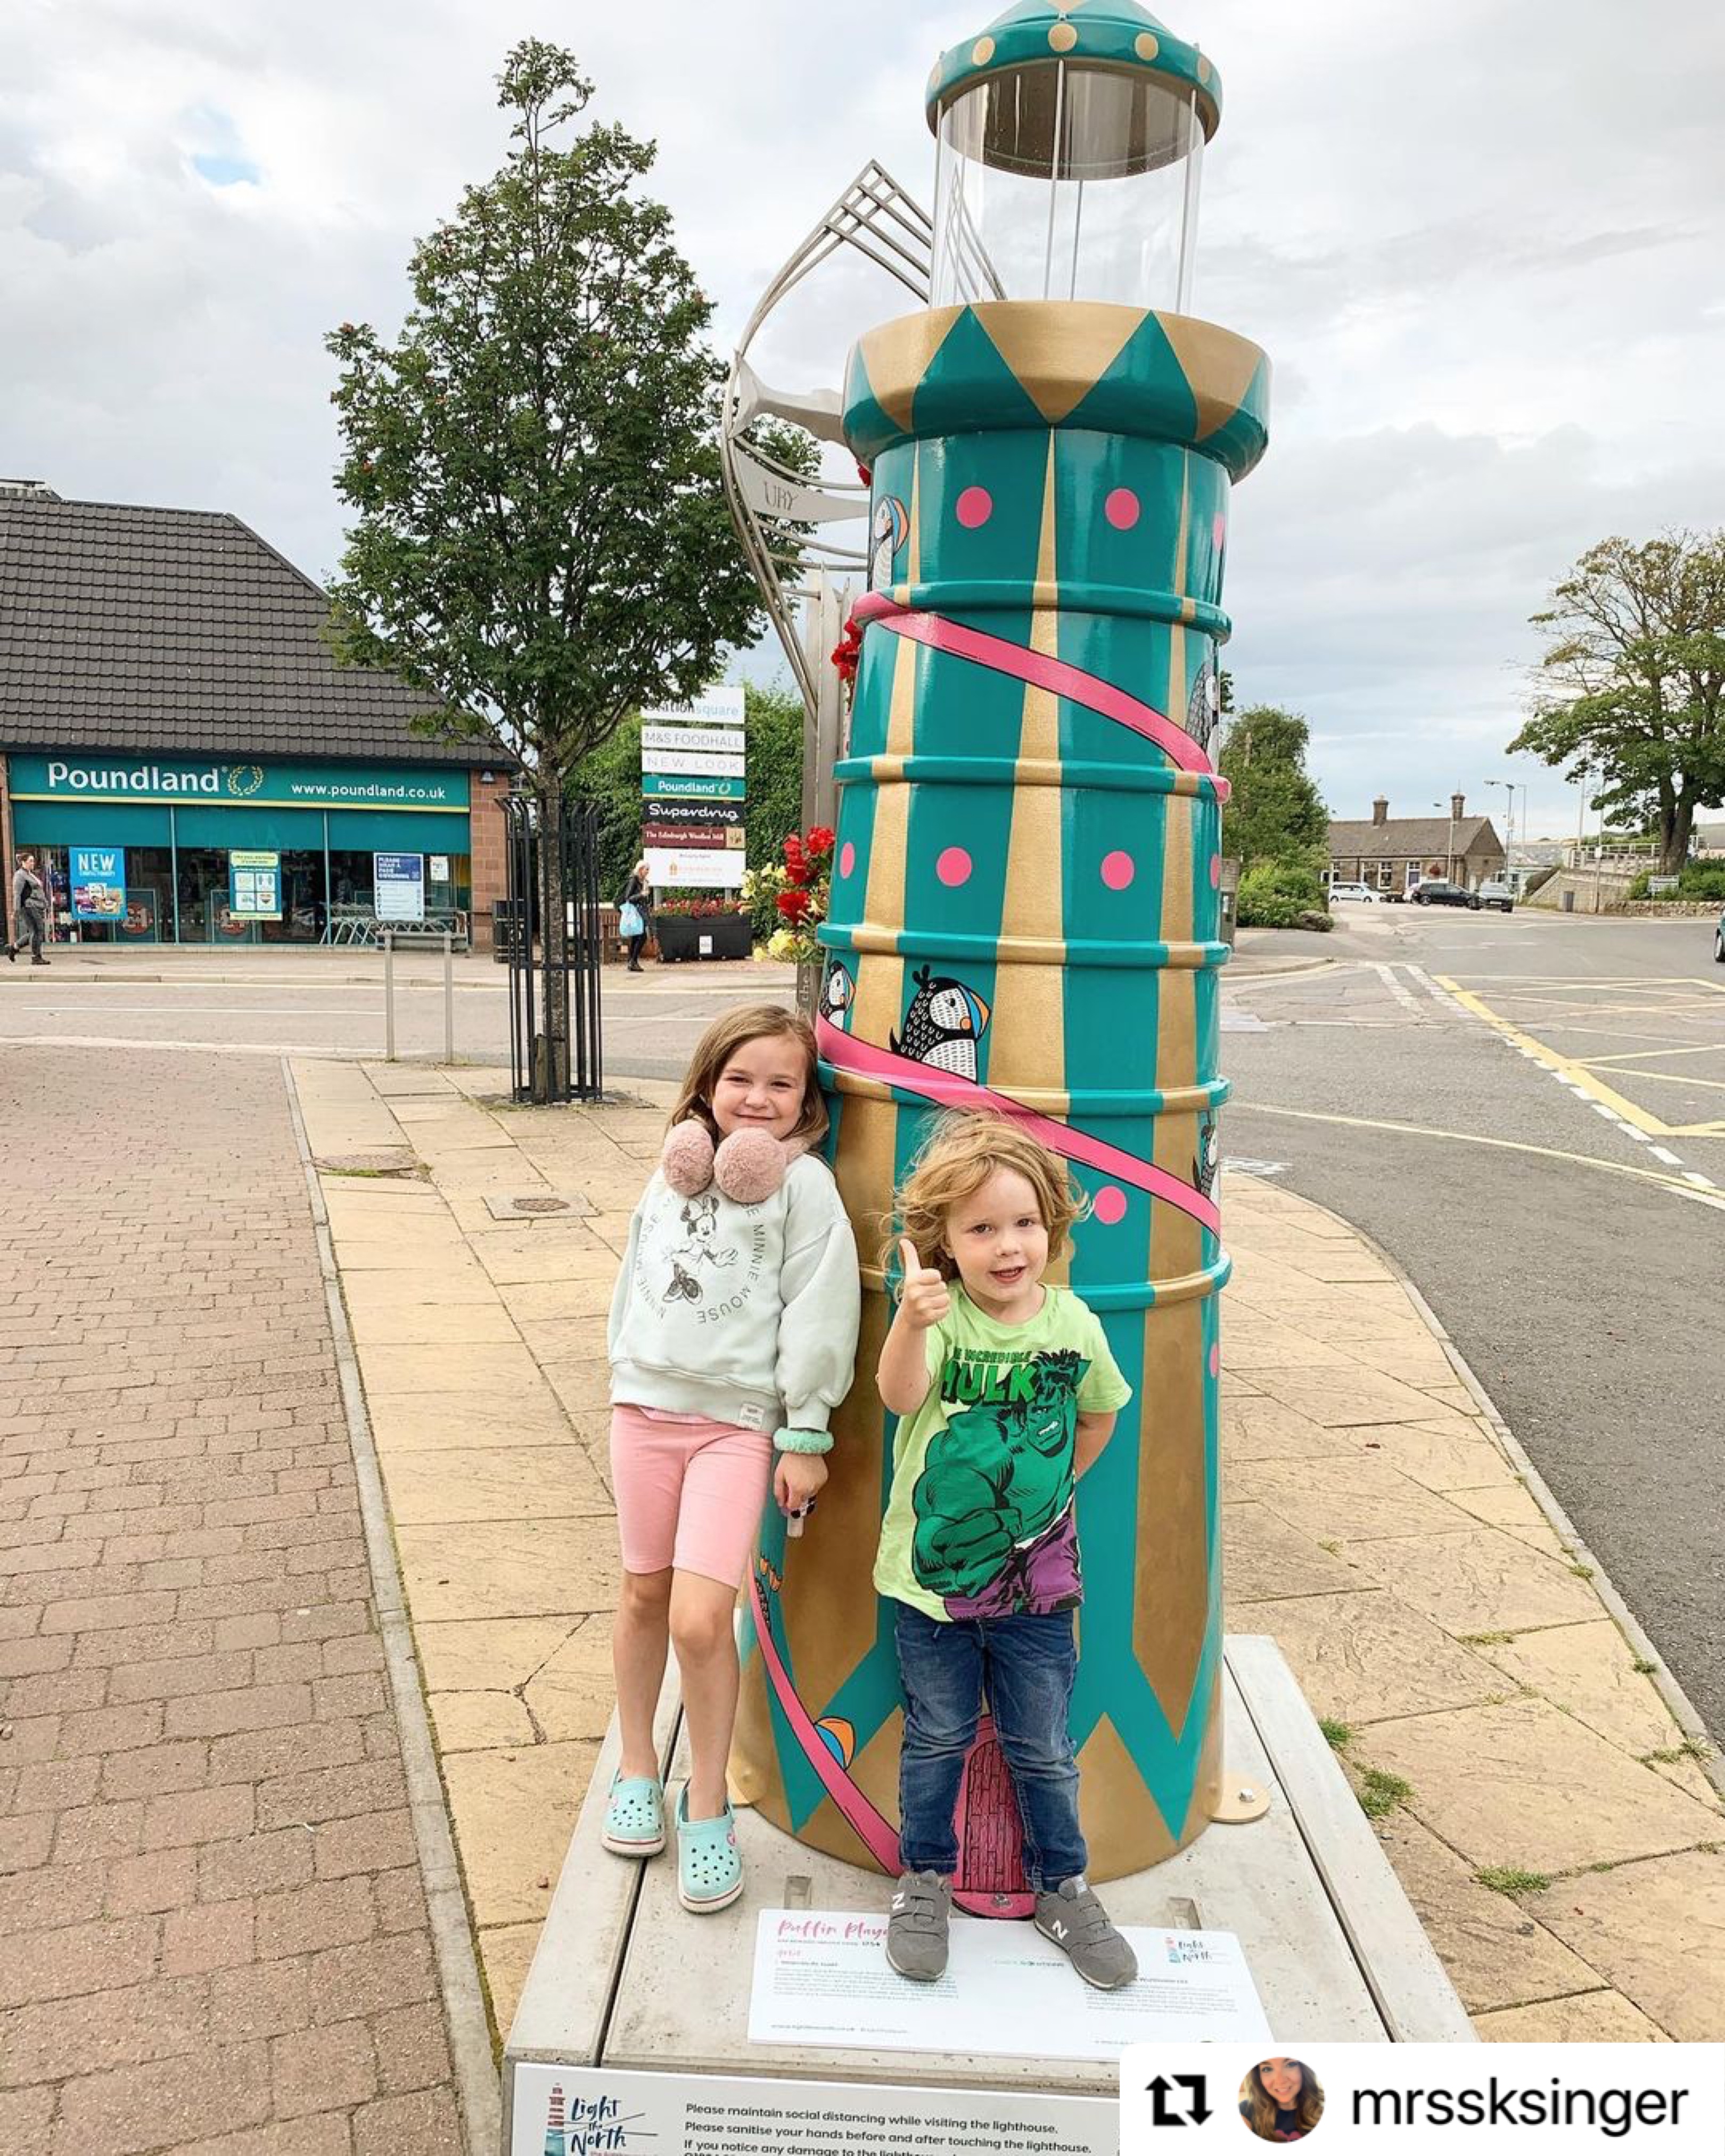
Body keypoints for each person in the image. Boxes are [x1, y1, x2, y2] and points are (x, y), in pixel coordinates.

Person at [604, 1006, 860, 1912]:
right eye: (739, 1079)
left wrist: (806, 1432)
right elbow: (636, 1274)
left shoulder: (806, 1188)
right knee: (642, 1593)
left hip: (736, 1426)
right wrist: (622, 1367)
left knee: (702, 1619)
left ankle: (706, 1799)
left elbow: (820, 1310)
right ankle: (639, 1767)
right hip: (641, 1411)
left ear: (805, 1099)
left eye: (781, 1083)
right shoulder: (675, 1166)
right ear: (708, 1084)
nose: (757, 1098)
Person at [873, 1114, 1135, 1989]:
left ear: (1052, 1226)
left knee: (1043, 1746)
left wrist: (1051, 1493)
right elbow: (899, 1395)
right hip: (933, 1590)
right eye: (981, 1228)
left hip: (1038, 1592)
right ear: (945, 1242)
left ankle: (1063, 1886)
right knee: (937, 1737)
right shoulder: (943, 1320)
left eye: (1023, 1223)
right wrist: (910, 1321)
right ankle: (925, 1880)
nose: (1008, 1245)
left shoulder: (1073, 1323)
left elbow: (1100, 1412)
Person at [1239, 2058, 1325, 2142]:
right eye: (1267, 2069)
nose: (1280, 2081)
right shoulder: (1246, 2111)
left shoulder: (1322, 2109)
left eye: (1291, 2064)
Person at [6, 851, 50, 965]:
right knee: (38, 930)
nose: (33, 863)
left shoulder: (30, 874)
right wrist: (16, 911)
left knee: (34, 931)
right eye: (30, 861)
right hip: (28, 907)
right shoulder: (20, 875)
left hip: (36, 906)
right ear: (23, 862)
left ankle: (14, 948)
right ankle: (36, 957)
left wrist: (45, 904)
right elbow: (17, 894)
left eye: (33, 861)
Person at [619, 858, 652, 973]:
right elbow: (628, 898)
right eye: (647, 869)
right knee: (642, 936)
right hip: (635, 913)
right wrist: (641, 895)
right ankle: (633, 961)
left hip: (641, 912)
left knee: (637, 936)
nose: (648, 872)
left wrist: (646, 897)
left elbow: (645, 898)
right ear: (641, 869)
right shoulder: (634, 880)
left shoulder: (644, 882)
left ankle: (632, 961)